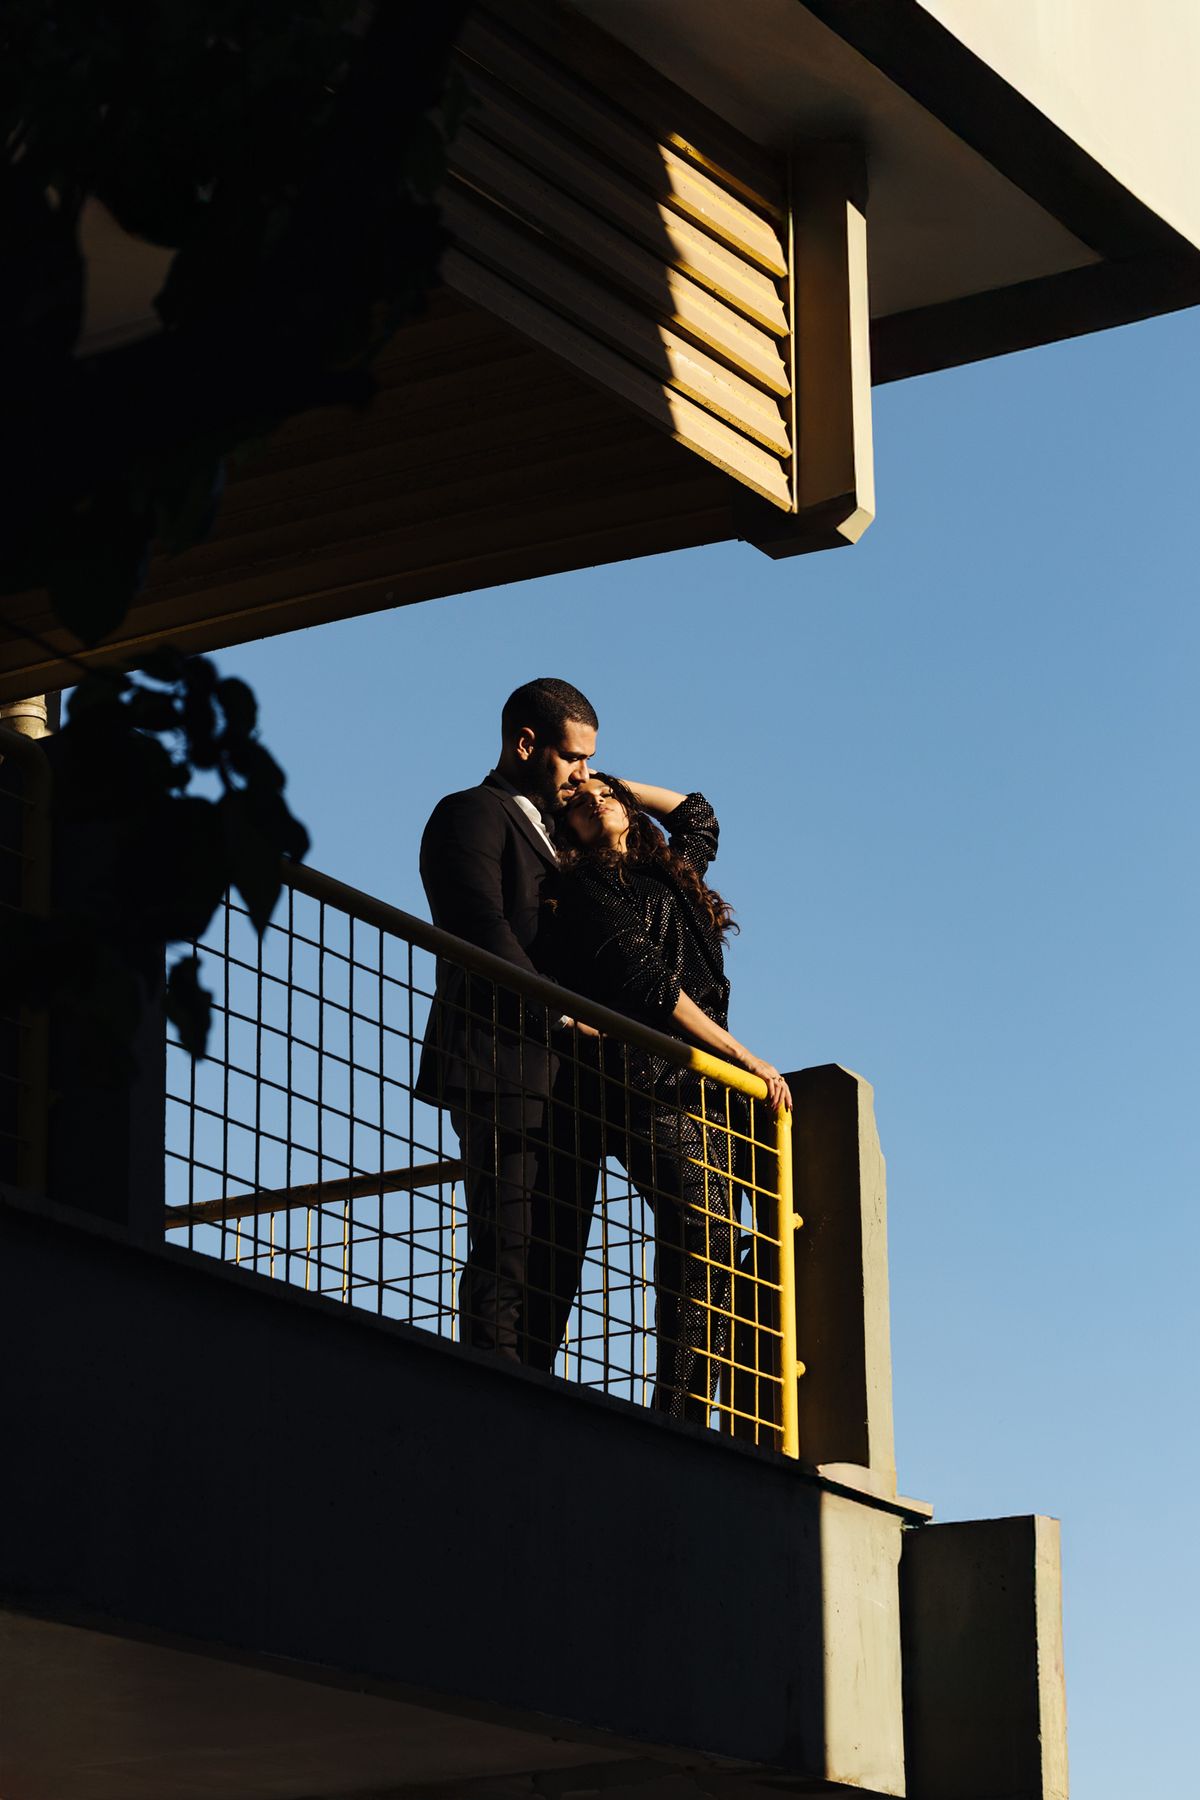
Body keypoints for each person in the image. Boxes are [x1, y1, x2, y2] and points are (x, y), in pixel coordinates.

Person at [549, 774, 790, 1423]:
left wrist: (602, 778)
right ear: (562, 826)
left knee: (732, 1245)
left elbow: (698, 812)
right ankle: (677, 1415)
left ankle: (701, 1411)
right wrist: (742, 1054)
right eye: (577, 804)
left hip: (713, 1088)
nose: (595, 803)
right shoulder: (586, 886)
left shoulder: (673, 873)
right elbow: (649, 984)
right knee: (702, 1232)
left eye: (606, 797)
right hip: (648, 1078)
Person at [416, 678, 601, 1368]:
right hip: (501, 1062)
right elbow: (477, 927)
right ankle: (494, 1388)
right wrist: (561, 1015)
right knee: (511, 1244)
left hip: (573, 1081)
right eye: (573, 757)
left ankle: (535, 1385)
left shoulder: (570, 833)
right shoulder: (469, 813)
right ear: (526, 743)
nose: (585, 775)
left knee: (559, 1260)